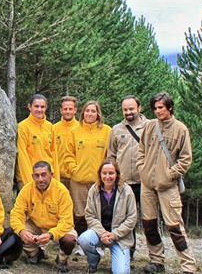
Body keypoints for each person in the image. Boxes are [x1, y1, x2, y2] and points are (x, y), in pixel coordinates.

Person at [137, 92, 195, 274]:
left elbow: (186, 159)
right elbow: (141, 150)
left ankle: (188, 266)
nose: (157, 111)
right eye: (155, 108)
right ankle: (156, 261)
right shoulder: (149, 127)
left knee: (175, 227)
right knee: (149, 225)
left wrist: (170, 175)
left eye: (161, 107)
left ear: (170, 107)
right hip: (147, 185)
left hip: (168, 186)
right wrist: (142, 169)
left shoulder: (180, 129)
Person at [10, 161, 77, 273]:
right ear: (32, 176)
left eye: (44, 174)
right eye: (37, 175)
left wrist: (51, 234)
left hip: (57, 227)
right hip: (35, 225)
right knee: (16, 231)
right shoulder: (27, 190)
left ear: (51, 174)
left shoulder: (62, 191)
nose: (40, 179)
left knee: (70, 240)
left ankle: (61, 260)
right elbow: (16, 214)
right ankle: (35, 253)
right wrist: (22, 231)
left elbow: (67, 221)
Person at [106, 95, 147, 260]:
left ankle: (156, 257)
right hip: (123, 183)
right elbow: (111, 155)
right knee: (125, 220)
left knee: (149, 220)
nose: (128, 112)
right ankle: (127, 252)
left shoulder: (150, 126)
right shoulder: (116, 129)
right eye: (125, 109)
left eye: (131, 108)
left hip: (145, 182)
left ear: (139, 108)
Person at [62, 100, 111, 237]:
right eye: (87, 111)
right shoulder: (75, 131)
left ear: (98, 114)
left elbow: (111, 154)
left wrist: (106, 174)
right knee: (80, 213)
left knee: (99, 212)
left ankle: (98, 242)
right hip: (78, 180)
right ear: (83, 113)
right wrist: (74, 169)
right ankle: (81, 243)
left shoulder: (107, 131)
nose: (90, 114)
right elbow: (68, 154)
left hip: (99, 181)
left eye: (93, 111)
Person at [79, 159, 137, 274]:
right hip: (99, 233)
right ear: (100, 174)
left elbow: (132, 218)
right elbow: (89, 215)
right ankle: (93, 261)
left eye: (111, 173)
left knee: (121, 272)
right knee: (84, 239)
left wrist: (114, 234)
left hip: (120, 237)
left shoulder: (127, 191)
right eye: (104, 173)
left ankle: (120, 258)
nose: (107, 177)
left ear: (117, 174)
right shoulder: (94, 190)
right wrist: (102, 233)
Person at [16, 94, 59, 190]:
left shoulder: (50, 127)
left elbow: (54, 153)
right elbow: (22, 155)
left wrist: (56, 179)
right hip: (30, 178)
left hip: (47, 178)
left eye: (42, 107)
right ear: (29, 107)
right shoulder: (23, 127)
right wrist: (30, 182)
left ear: (46, 108)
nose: (39, 110)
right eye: (36, 106)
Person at [53, 96, 79, 191]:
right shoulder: (53, 129)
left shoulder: (80, 128)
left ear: (75, 110)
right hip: (58, 177)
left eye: (70, 109)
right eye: (65, 109)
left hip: (75, 178)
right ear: (61, 110)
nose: (68, 111)